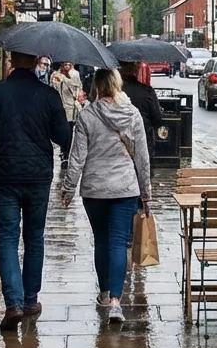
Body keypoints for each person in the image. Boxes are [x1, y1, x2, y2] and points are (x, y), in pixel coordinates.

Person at [0, 51, 72, 332]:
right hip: (38, 176)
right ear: (36, 61)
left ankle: (12, 303)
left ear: (12, 60)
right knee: (35, 238)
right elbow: (63, 136)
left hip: (4, 176)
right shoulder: (48, 95)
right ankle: (30, 300)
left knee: (8, 237)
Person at [60, 69, 152, 324]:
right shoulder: (132, 115)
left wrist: (68, 189)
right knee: (119, 243)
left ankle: (103, 293)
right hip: (125, 188)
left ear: (97, 87)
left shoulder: (87, 115)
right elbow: (142, 159)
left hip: (95, 189)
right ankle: (115, 302)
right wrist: (147, 195)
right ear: (117, 85)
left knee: (101, 241)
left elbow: (76, 157)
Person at [119, 61, 163, 173]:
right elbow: (157, 118)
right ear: (136, 70)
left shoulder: (115, 92)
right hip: (143, 139)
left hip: (119, 142)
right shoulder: (147, 91)